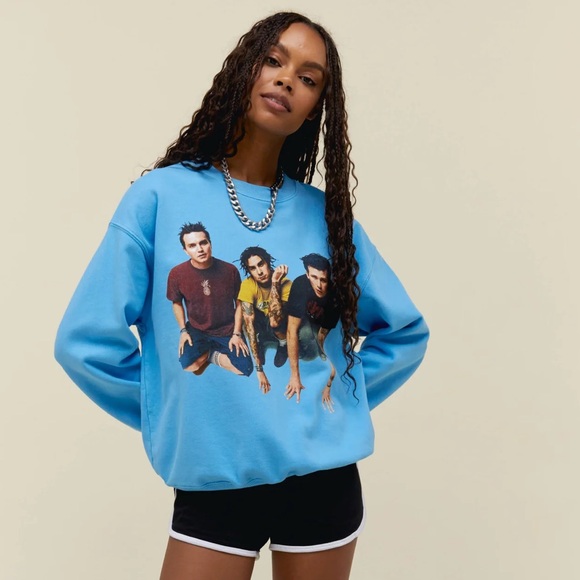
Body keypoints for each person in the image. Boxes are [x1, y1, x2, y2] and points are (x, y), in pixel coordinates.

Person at [54, 11, 429, 580]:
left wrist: (333, 404)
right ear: (244, 68)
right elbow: (85, 343)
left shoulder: (325, 216)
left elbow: (404, 333)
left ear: (316, 107)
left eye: (309, 78)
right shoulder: (159, 196)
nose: (286, 79)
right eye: (274, 60)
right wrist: (176, 413)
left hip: (323, 482)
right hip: (215, 478)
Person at [167, 222, 252, 377]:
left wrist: (237, 333)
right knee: (189, 366)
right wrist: (183, 331)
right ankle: (209, 352)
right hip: (197, 329)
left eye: (203, 243)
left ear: (210, 244)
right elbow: (177, 302)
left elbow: (240, 302)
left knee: (244, 370)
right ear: (185, 250)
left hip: (227, 329)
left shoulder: (230, 270)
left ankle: (210, 354)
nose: (199, 249)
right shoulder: (177, 274)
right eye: (192, 246)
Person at [285, 253, 340, 410]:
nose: (319, 285)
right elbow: (291, 329)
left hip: (323, 327)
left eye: (323, 280)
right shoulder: (300, 284)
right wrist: (295, 376)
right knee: (303, 335)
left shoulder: (334, 296)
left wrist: (328, 385)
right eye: (314, 277)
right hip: (304, 321)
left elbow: (326, 336)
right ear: (307, 274)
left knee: (324, 350)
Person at [237, 246, 292, 393]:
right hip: (261, 324)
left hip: (279, 324)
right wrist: (259, 369)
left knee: (275, 322)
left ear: (268, 262)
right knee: (246, 319)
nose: (259, 272)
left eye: (261, 264)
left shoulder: (286, 283)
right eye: (253, 268)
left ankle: (283, 344)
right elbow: (249, 326)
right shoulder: (248, 285)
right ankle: (260, 343)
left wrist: (275, 283)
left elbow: (275, 320)